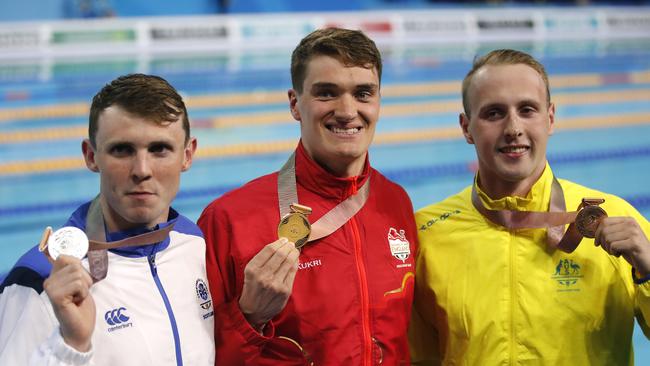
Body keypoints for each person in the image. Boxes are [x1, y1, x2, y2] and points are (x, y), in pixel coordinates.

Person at [409, 49, 650, 365]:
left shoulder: (619, 219)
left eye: (527, 110)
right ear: (466, 127)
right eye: (494, 113)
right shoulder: (426, 234)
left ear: (549, 118)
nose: (513, 128)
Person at [198, 27, 418, 365]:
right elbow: (198, 354)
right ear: (294, 104)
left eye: (363, 93)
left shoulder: (396, 203)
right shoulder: (229, 220)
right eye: (327, 93)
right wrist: (248, 318)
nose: (347, 111)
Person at [0, 74, 214, 365]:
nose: (142, 170)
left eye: (159, 149)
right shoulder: (40, 279)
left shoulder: (194, 242)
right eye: (122, 150)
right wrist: (72, 346)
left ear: (187, 155)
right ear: (91, 156)